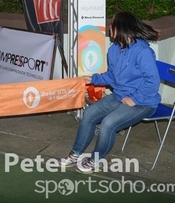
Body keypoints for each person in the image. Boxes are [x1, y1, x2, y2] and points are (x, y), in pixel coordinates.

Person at [59, 11, 161, 173]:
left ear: (121, 28)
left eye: (112, 24)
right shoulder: (113, 49)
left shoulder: (142, 51)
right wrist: (93, 79)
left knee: (108, 124)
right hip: (120, 95)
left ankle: (96, 160)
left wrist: (135, 99)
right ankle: (75, 154)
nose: (109, 28)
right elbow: (112, 75)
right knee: (89, 114)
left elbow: (153, 81)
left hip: (143, 102)